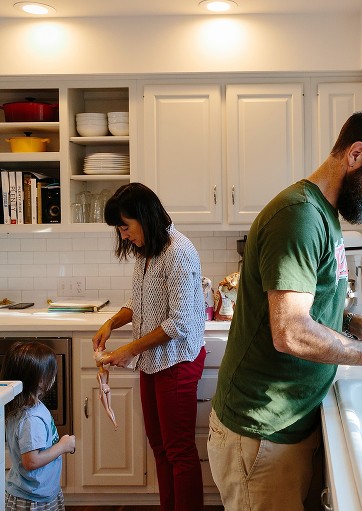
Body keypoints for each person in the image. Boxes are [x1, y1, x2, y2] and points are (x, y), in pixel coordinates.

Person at [208, 110, 362, 511]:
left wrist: (349, 321)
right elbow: (291, 331)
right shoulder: (298, 216)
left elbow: (305, 305)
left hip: (292, 420)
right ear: (357, 154)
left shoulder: (325, 214)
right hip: (262, 431)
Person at [92, 183, 206, 511]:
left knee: (179, 451)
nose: (124, 235)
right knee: (159, 447)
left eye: (125, 226)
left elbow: (181, 322)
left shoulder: (179, 251)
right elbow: (138, 304)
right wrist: (110, 323)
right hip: (152, 363)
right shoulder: (147, 251)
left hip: (177, 362)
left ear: (144, 217)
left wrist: (130, 350)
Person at [3, 341, 76, 511]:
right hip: (32, 499)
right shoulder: (31, 419)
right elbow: (32, 461)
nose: (54, 377)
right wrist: (62, 446)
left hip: (36, 490)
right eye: (52, 373)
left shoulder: (24, 407)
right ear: (41, 379)